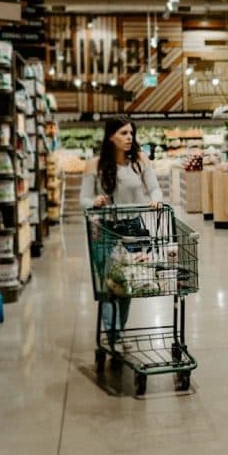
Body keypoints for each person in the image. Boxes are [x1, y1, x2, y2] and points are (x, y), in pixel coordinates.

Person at [81, 116, 164, 339]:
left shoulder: (140, 160)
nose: (129, 138)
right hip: (104, 229)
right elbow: (83, 199)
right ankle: (114, 334)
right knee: (108, 284)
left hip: (133, 229)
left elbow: (155, 189)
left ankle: (117, 331)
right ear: (110, 137)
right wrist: (94, 201)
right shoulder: (94, 165)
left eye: (131, 133)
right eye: (123, 133)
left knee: (126, 283)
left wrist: (156, 199)